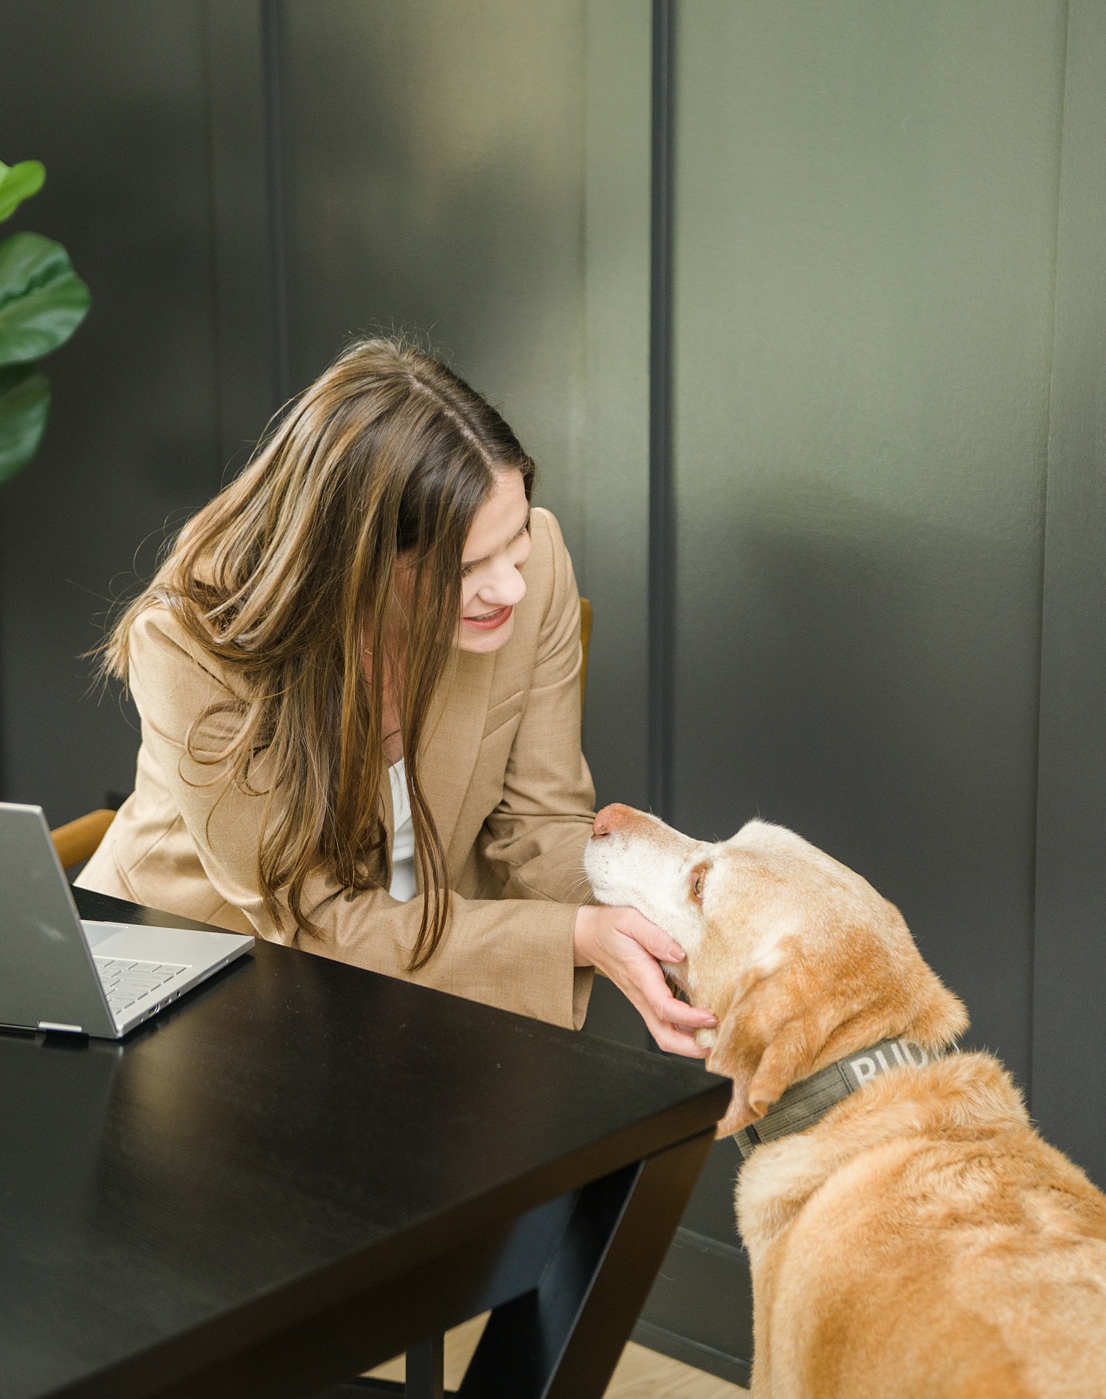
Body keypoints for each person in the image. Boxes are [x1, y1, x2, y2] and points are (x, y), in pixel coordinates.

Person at [81, 339, 715, 1057]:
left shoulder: (536, 564)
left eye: (514, 541)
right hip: (205, 978)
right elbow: (314, 920)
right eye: (467, 566)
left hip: (432, 970)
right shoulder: (192, 641)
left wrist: (678, 923)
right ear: (352, 564)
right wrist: (571, 941)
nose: (511, 585)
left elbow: (540, 823)